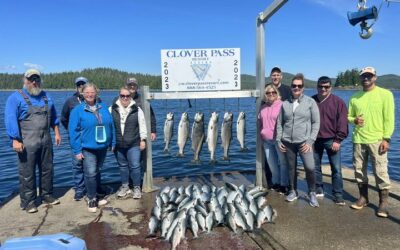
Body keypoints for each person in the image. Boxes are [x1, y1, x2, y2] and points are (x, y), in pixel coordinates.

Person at [5, 69, 61, 213]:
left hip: (46, 139)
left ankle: (47, 195)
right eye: (31, 79)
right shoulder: (15, 98)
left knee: (48, 169)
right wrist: (14, 140)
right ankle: (28, 201)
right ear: (25, 80)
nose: (34, 82)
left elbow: (54, 117)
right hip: (26, 140)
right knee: (27, 172)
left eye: (36, 79)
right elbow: (10, 119)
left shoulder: (46, 96)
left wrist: (56, 132)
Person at [348, 66, 395, 218]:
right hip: (358, 139)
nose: (366, 78)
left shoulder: (385, 94)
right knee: (359, 170)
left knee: (381, 172)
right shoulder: (354, 97)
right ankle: (363, 198)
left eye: (369, 75)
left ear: (375, 77)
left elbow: (389, 119)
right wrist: (354, 120)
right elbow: (348, 117)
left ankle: (383, 203)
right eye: (363, 76)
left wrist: (386, 139)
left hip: (377, 140)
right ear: (360, 78)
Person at [69, 83, 115, 213]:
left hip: (102, 146)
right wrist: (77, 150)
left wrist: (113, 142)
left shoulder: (103, 107)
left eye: (92, 92)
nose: (89, 94)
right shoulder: (78, 110)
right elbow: (73, 131)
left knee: (97, 171)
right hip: (87, 147)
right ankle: (91, 198)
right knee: (90, 173)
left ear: (96, 93)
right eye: (87, 92)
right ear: (82, 94)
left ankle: (97, 194)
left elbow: (111, 125)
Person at [276, 73, 320, 207]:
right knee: (291, 168)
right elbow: (279, 123)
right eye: (294, 86)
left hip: (304, 142)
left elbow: (316, 122)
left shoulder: (310, 102)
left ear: (303, 87)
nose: (296, 88)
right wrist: (279, 140)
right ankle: (293, 191)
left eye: (299, 86)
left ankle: (312, 192)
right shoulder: (285, 103)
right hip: (288, 142)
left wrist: (310, 141)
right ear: (291, 87)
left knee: (310, 167)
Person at [312, 76, 348, 206]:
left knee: (336, 169)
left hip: (332, 140)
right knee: (315, 167)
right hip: (315, 140)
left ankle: (337, 194)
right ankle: (318, 188)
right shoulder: (312, 101)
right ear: (317, 87)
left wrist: (338, 140)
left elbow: (343, 123)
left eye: (326, 87)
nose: (323, 89)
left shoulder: (338, 102)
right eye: (321, 86)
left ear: (330, 88)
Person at [110, 87, 147, 199]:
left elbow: (142, 125)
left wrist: (143, 139)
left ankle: (136, 187)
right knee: (122, 166)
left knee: (135, 166)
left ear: (130, 97)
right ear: (119, 96)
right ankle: (125, 186)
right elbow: (108, 126)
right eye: (122, 96)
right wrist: (110, 142)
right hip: (118, 144)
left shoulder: (137, 109)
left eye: (127, 96)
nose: (125, 98)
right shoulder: (112, 109)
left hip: (134, 143)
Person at [60, 76, 89, 201]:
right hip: (76, 139)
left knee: (93, 164)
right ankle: (79, 189)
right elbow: (63, 118)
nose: (81, 87)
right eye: (79, 85)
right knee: (77, 164)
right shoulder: (70, 101)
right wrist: (72, 131)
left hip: (90, 138)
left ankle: (94, 187)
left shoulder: (94, 99)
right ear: (76, 87)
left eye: (83, 84)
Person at [259, 84, 288, 194]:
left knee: (283, 163)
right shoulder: (263, 107)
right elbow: (260, 123)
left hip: (278, 140)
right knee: (272, 164)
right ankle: (276, 182)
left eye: (273, 92)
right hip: (266, 141)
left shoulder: (282, 105)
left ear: (277, 93)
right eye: (268, 93)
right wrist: (261, 137)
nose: (271, 94)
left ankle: (284, 184)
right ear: (265, 95)